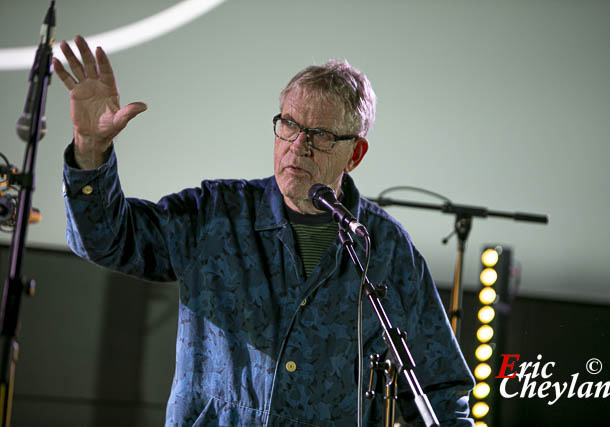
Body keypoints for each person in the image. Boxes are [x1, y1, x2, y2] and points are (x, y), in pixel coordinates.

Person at [54, 35, 475, 426]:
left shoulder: (384, 248)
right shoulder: (215, 215)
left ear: (356, 154)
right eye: (289, 124)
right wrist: (91, 150)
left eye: (321, 135)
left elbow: (439, 389)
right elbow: (108, 239)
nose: (298, 145)